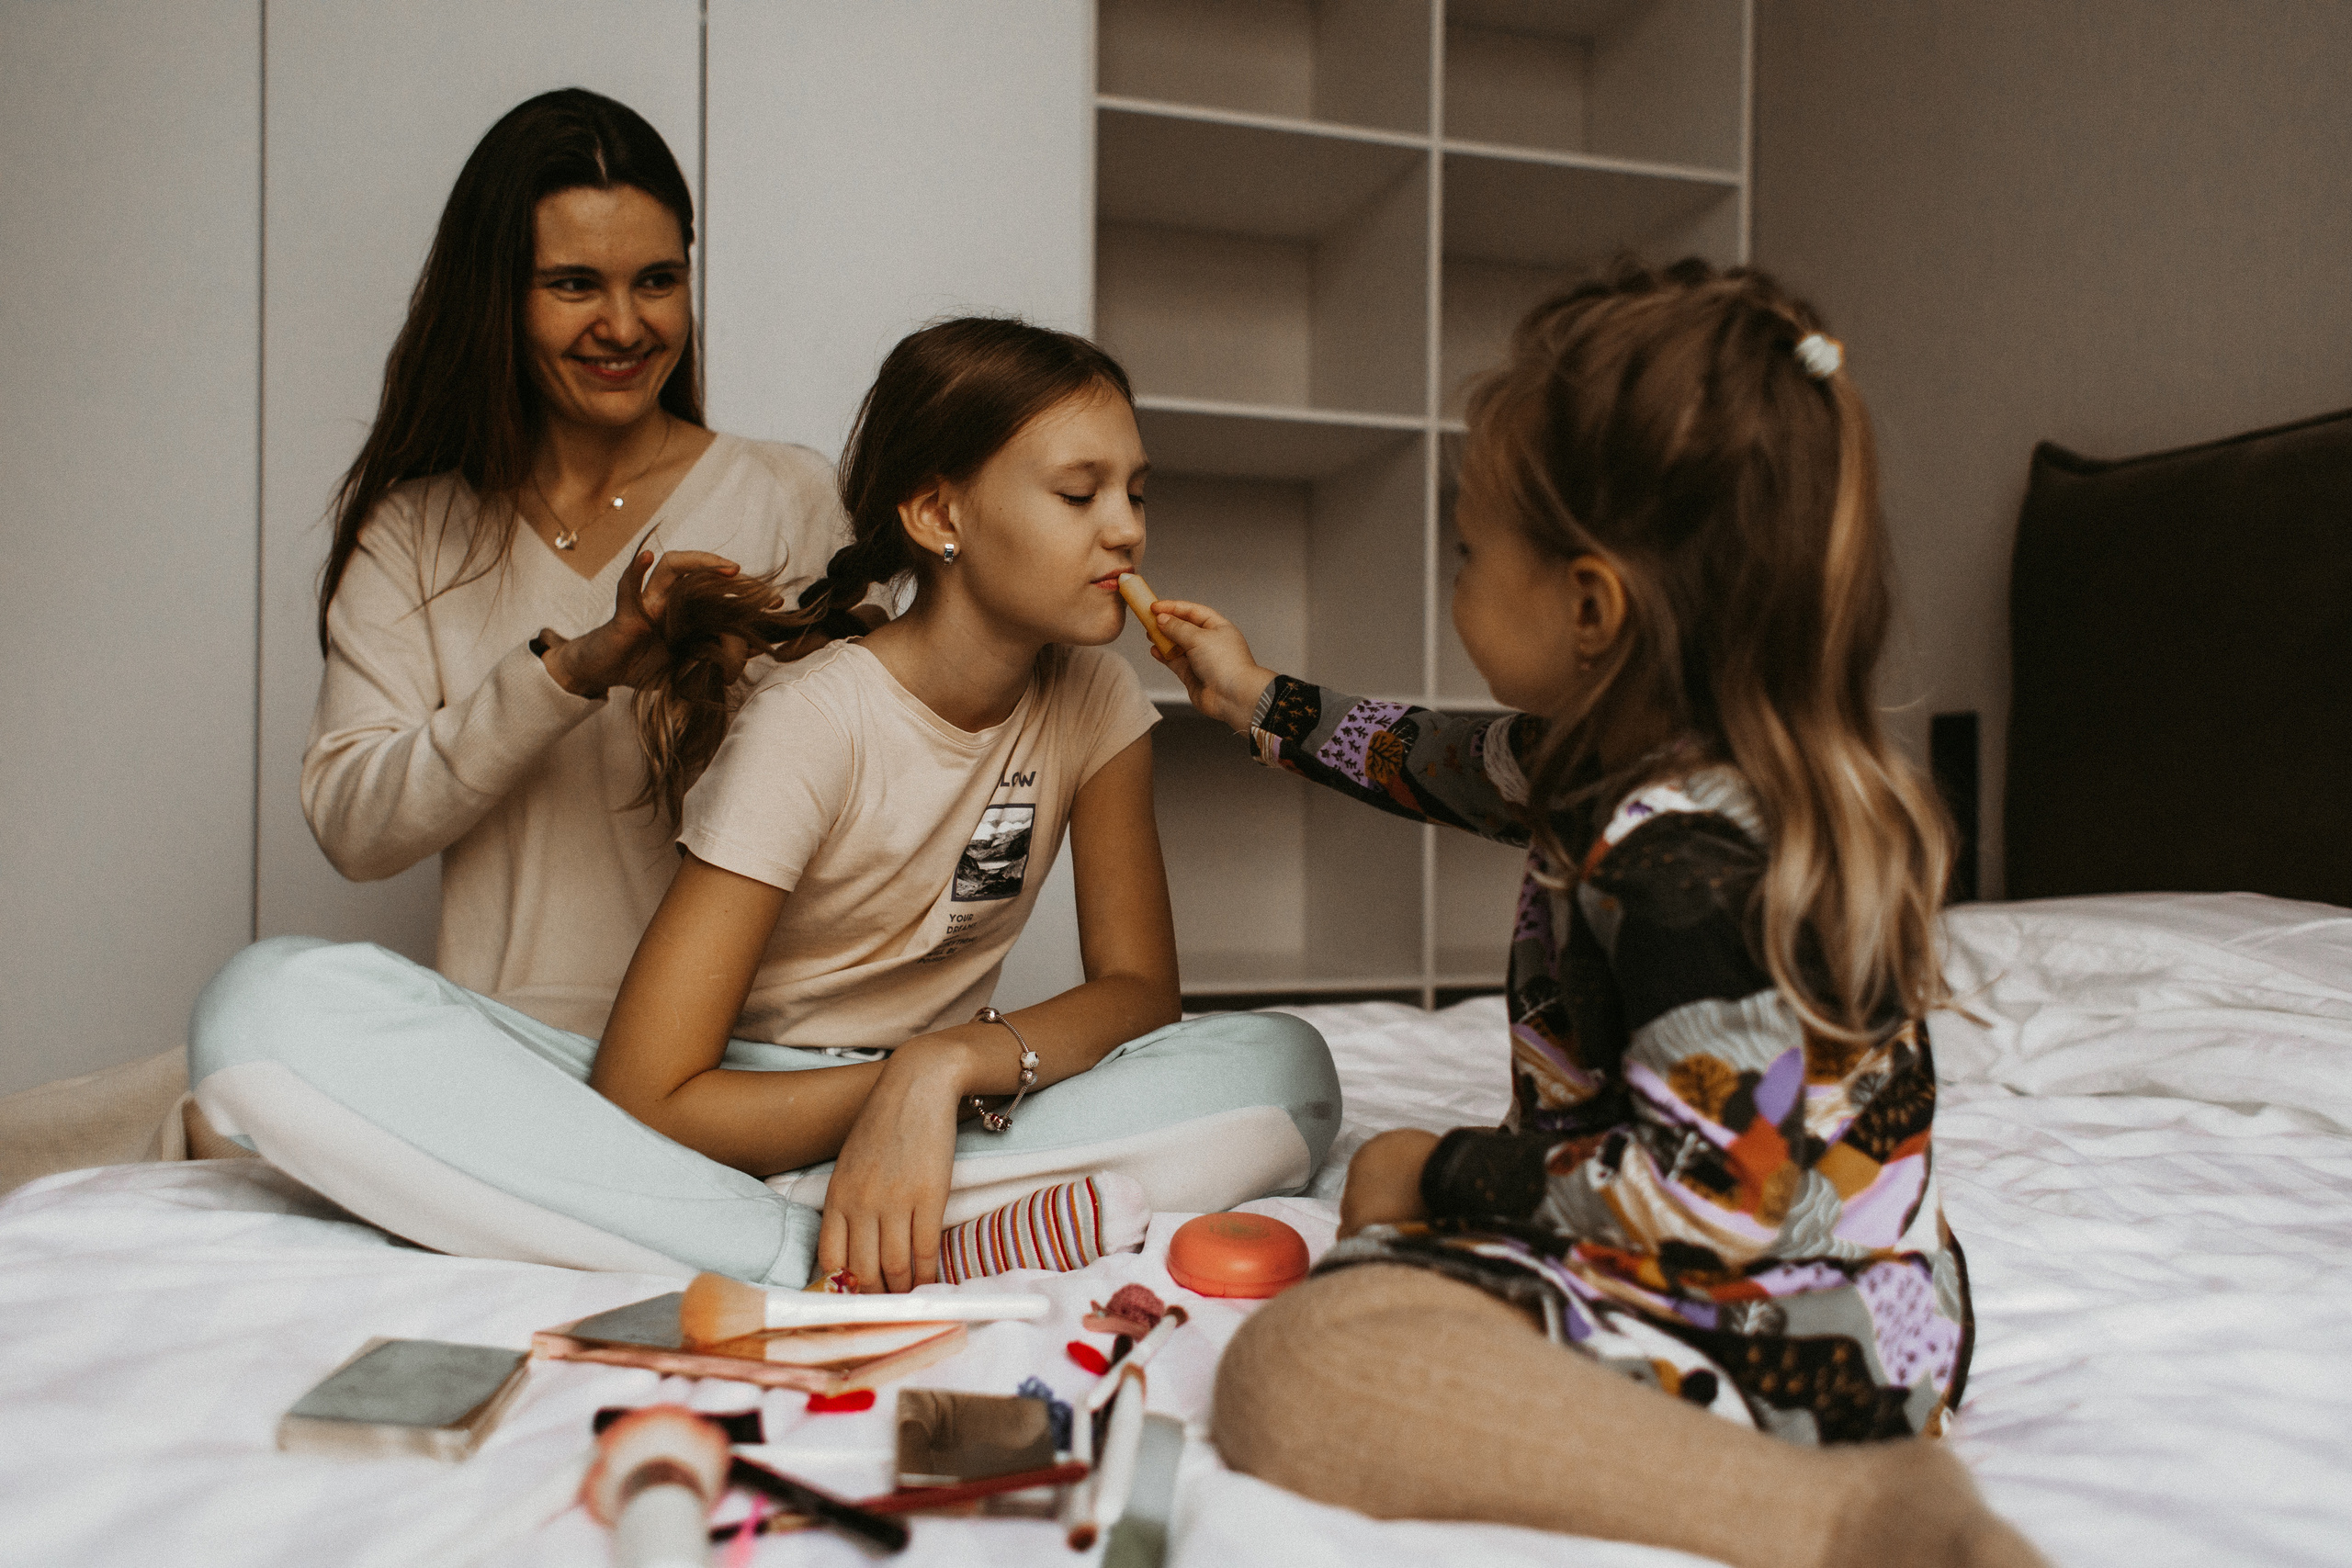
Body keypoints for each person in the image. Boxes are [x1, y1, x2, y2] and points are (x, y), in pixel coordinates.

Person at [1149, 263, 2045, 1566]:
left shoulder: (1687, 863)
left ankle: (1857, 1518)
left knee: (1301, 1367)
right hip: (1812, 1286)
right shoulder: (1609, 754)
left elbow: (1723, 1198)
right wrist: (1259, 702)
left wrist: (1442, 1171)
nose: (1453, 577)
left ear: (1589, 605)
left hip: (1788, 1329)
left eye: (1468, 553)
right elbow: (1438, 753)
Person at [188, 318, 1340, 1293]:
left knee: (1285, 1070)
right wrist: (887, 1098)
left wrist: (936, 1072)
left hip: (941, 1094)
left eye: (1135, 492)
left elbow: (1139, 992)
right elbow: (649, 1090)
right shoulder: (815, 720)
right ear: (938, 516)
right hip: (733, 1109)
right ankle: (806, 1244)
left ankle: (790, 1213)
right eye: (1079, 492)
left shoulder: (1093, 695)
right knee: (269, 1009)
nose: (1127, 529)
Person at [303, 86, 877, 1043]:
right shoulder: (414, 530)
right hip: (502, 1057)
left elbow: (879, 805)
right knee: (251, 1019)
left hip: (736, 1065)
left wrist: (743, 684)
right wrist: (569, 672)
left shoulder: (788, 495)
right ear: (497, 298)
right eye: (574, 285)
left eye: (656, 280)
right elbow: (354, 829)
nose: (624, 326)